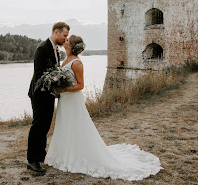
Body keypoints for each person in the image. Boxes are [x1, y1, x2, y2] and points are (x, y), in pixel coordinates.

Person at [44, 35, 163, 181]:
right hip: (65, 100)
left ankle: (78, 155)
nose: (65, 41)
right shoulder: (65, 60)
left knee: (76, 125)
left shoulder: (76, 63)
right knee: (66, 125)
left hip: (73, 100)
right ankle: (64, 153)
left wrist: (63, 89)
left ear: (72, 45)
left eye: (68, 40)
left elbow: (80, 85)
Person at [27, 22, 70, 173]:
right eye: (64, 35)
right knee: (38, 125)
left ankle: (40, 155)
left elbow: (53, 70)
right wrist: (57, 80)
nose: (66, 38)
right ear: (56, 32)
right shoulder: (42, 48)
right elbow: (40, 75)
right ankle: (32, 160)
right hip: (39, 94)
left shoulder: (55, 49)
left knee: (45, 126)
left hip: (49, 94)